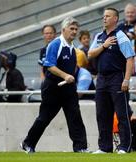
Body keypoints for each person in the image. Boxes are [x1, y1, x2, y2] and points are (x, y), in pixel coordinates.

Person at [20, 17, 88, 153]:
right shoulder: (55, 44)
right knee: (44, 118)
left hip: (68, 89)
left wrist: (71, 76)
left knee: (75, 117)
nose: (74, 32)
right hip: (53, 88)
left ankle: (80, 147)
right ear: (63, 30)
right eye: (71, 29)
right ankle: (28, 143)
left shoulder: (72, 48)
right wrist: (65, 76)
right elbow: (49, 65)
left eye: (76, 29)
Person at [88, 8, 135, 154]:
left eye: (107, 16)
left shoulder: (121, 36)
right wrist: (104, 45)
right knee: (102, 114)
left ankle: (124, 147)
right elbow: (90, 54)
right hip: (101, 78)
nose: (104, 18)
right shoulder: (99, 36)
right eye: (103, 16)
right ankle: (105, 147)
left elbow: (130, 58)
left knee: (122, 113)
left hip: (117, 77)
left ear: (115, 19)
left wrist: (126, 79)